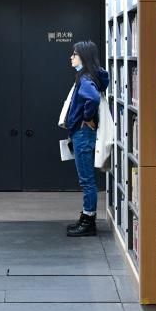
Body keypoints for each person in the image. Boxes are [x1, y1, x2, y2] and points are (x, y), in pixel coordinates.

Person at [62, 40, 109, 238]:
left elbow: (93, 99)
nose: (71, 57)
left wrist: (87, 117)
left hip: (83, 134)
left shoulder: (86, 79)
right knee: (87, 179)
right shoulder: (88, 76)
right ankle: (86, 217)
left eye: (75, 54)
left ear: (84, 57)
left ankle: (88, 221)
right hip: (83, 133)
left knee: (87, 180)